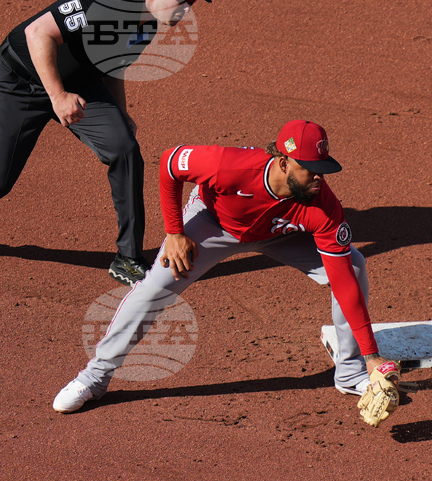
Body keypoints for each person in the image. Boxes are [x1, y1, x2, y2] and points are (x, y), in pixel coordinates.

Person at [52, 119, 398, 416]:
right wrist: (174, 231)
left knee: (352, 265)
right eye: (310, 170)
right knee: (152, 290)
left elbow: (343, 284)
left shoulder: (323, 206)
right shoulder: (229, 165)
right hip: (213, 224)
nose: (318, 180)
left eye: (322, 169)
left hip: (278, 234)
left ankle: (351, 372)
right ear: (282, 162)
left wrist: (371, 355)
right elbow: (170, 163)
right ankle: (95, 376)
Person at [0, 0, 211, 286]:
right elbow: (38, 32)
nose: (186, 8)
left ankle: (129, 257)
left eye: (192, 1)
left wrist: (120, 112)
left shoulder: (148, 23)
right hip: (20, 80)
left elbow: (112, 64)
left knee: (125, 148)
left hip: (80, 85)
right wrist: (58, 95)